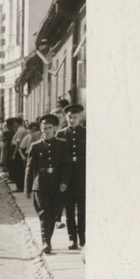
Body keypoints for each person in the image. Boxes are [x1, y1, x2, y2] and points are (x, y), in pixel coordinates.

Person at [24, 114, 71, 255]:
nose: (47, 131)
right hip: (41, 185)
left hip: (57, 185)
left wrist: (64, 182)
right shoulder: (35, 146)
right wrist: (27, 188)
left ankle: (47, 240)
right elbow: (29, 168)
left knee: (53, 214)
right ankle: (46, 243)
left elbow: (67, 166)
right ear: (40, 129)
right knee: (44, 215)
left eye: (50, 128)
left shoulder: (63, 144)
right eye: (44, 128)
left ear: (55, 128)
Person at [57, 103, 86, 249]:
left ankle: (83, 238)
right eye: (70, 117)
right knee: (69, 210)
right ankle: (72, 239)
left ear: (81, 117)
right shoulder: (61, 134)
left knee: (82, 210)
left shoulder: (87, 133)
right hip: (67, 179)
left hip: (82, 178)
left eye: (75, 117)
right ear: (66, 117)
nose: (72, 119)